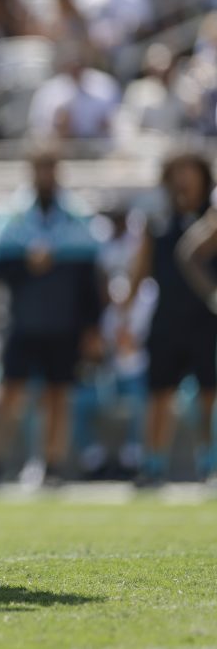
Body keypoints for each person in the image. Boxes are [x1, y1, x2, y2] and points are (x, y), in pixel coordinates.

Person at [0, 142, 102, 485]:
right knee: (9, 392)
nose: (46, 176)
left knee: (59, 395)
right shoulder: (11, 215)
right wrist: (26, 265)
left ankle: (53, 464)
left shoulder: (78, 215)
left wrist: (92, 327)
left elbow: (90, 278)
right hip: (23, 321)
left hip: (65, 322)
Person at [141, 152, 217, 483]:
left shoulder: (212, 217)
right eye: (177, 172)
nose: (184, 178)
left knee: (209, 395)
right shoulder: (157, 221)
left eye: (190, 170)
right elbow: (139, 271)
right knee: (160, 394)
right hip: (167, 318)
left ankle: (210, 463)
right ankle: (153, 465)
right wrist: (125, 316)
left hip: (206, 319)